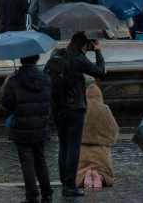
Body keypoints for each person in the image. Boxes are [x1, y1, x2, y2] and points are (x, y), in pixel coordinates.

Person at [44, 32, 107, 198]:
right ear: (84, 46)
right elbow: (100, 72)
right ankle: (70, 186)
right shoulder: (79, 59)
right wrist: (98, 51)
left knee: (63, 146)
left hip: (57, 107)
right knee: (73, 147)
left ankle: (65, 182)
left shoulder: (58, 54)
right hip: (74, 108)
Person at [1, 53, 53, 203]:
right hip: (40, 125)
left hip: (22, 127)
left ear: (20, 60)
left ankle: (32, 195)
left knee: (27, 163)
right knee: (40, 160)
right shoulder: (45, 79)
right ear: (36, 60)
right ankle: (47, 193)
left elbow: (7, 103)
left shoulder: (14, 80)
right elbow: (49, 98)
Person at [75, 84, 118, 189]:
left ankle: (86, 177)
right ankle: (99, 176)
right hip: (101, 151)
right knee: (105, 174)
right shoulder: (105, 109)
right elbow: (114, 129)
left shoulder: (80, 108)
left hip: (82, 150)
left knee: (80, 172)